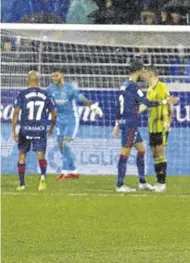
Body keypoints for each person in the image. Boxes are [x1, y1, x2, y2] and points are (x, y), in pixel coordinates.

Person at [112, 60, 178, 193]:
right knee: (125, 152)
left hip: (131, 122)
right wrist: (165, 101)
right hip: (130, 123)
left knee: (142, 150)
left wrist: (117, 123)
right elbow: (147, 102)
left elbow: (119, 106)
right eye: (142, 71)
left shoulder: (124, 85)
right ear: (138, 71)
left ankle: (142, 182)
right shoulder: (134, 87)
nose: (143, 73)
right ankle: (120, 184)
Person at [46, 68, 103, 180]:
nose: (54, 78)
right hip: (59, 120)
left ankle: (65, 171)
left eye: (56, 75)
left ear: (62, 75)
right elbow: (49, 106)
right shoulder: (50, 89)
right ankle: (73, 171)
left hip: (71, 119)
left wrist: (92, 107)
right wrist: (52, 126)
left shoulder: (69, 88)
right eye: (52, 76)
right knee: (61, 146)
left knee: (65, 145)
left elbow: (80, 97)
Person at [12, 70, 57, 191]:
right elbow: (54, 114)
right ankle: (42, 178)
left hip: (25, 129)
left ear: (28, 80)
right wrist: (51, 128)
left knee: (22, 155)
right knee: (41, 156)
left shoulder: (22, 94)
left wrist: (13, 131)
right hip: (40, 129)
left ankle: (21, 184)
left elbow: (16, 113)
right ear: (38, 81)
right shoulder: (45, 94)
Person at [144, 66, 174, 192]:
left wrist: (169, 120)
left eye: (146, 74)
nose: (144, 77)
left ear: (152, 74)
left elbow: (169, 103)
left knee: (160, 151)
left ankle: (162, 183)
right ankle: (158, 181)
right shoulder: (149, 89)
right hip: (152, 125)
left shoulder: (161, 87)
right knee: (155, 153)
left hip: (162, 125)